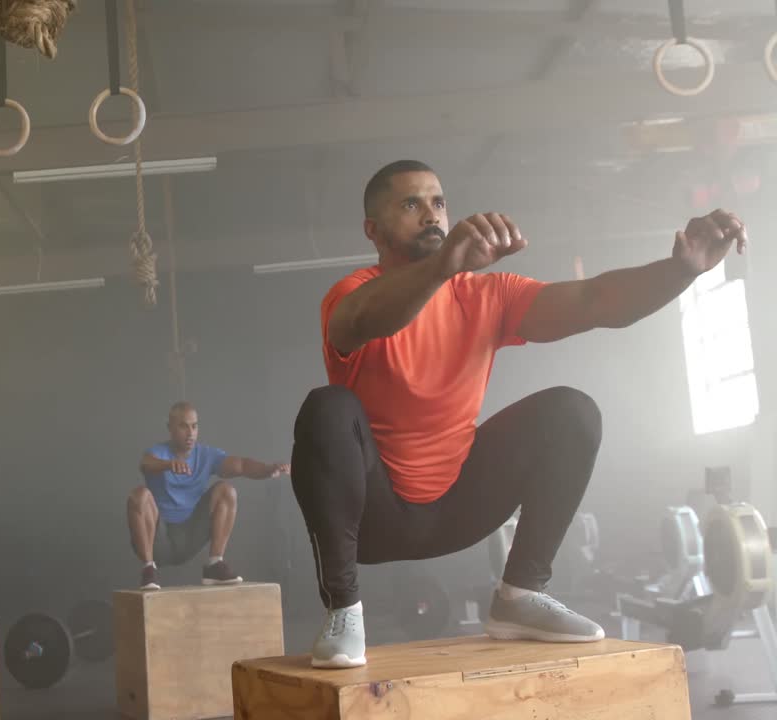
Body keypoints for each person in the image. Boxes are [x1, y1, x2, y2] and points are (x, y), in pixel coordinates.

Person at [291, 159, 748, 668]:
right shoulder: (351, 295)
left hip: (457, 511)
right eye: (410, 204)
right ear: (373, 231)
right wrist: (440, 268)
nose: (431, 215)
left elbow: (596, 301)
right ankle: (343, 610)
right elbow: (368, 318)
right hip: (371, 518)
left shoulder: (486, 295)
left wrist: (680, 271)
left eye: (438, 202)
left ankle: (520, 596)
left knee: (571, 411)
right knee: (327, 408)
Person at [128, 402, 291, 589]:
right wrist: (168, 465)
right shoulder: (158, 452)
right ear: (170, 428)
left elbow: (242, 465)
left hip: (190, 535)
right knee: (139, 495)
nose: (190, 433)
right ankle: (149, 569)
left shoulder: (206, 455)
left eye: (194, 426)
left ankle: (214, 564)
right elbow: (146, 463)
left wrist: (268, 469)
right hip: (158, 538)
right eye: (183, 426)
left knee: (226, 490)